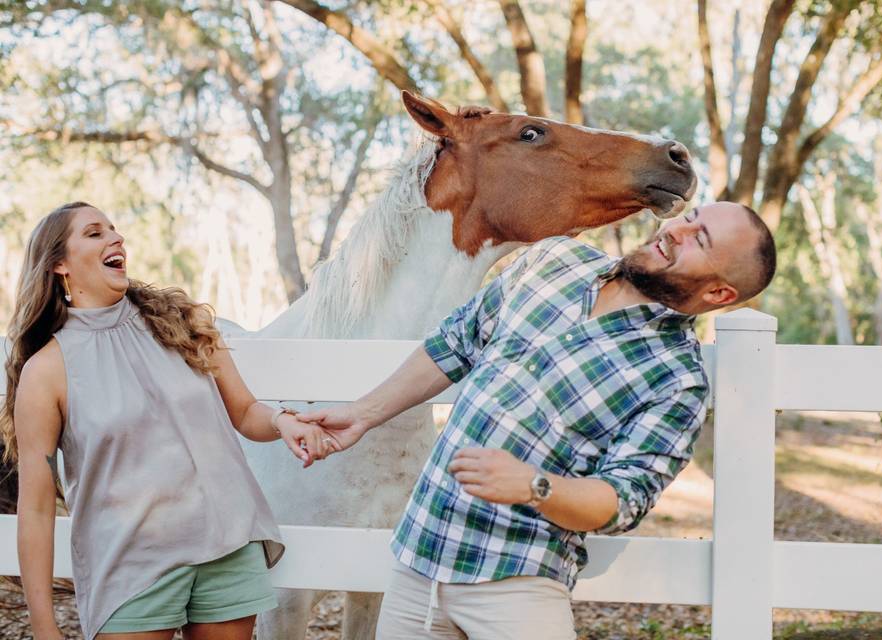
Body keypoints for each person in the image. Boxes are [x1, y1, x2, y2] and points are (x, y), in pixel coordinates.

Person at [297, 201, 777, 639]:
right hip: (418, 563)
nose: (676, 230)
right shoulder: (554, 261)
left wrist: (534, 485)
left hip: (517, 584)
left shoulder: (677, 380)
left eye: (701, 239)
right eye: (690, 216)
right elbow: (454, 343)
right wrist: (363, 413)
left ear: (718, 291)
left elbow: (622, 500)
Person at [1, 202, 338, 640]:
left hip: (227, 547)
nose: (115, 238)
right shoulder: (46, 371)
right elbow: (37, 507)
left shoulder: (180, 324)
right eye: (95, 233)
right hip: (129, 567)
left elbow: (246, 411)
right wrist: (44, 625)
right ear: (59, 264)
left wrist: (284, 422)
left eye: (115, 229)